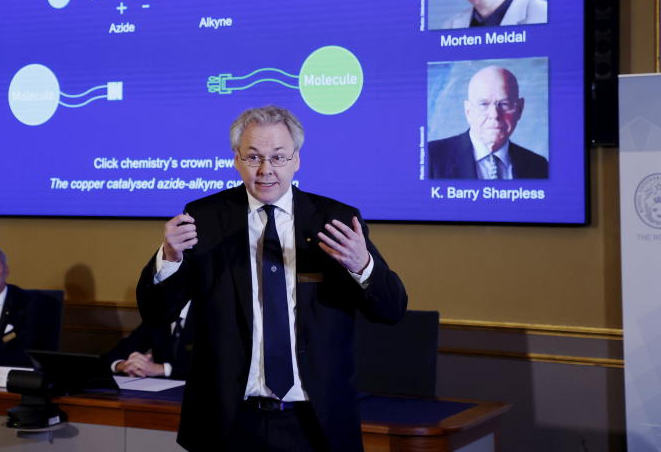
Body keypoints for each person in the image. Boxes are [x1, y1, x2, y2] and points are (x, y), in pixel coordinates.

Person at [136, 106, 407, 452]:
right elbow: (156, 313)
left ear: (297, 160)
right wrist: (170, 258)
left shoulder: (335, 219)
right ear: (236, 160)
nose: (266, 170)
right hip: (227, 424)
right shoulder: (204, 218)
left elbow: (392, 310)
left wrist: (362, 265)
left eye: (278, 157)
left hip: (315, 425)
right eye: (253, 157)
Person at [428, 65, 548, 179]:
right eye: (483, 104)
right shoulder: (430, 158)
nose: (494, 115)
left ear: (519, 109)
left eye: (504, 104)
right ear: (468, 111)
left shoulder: (539, 166)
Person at [104, 301, 194, 379]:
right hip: (161, 393)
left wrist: (162, 369)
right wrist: (123, 365)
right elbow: (120, 350)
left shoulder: (206, 312)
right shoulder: (158, 314)